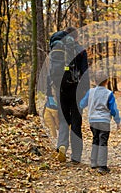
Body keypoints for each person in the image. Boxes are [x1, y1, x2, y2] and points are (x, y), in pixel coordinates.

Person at [47, 27, 89, 163]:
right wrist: (86, 92)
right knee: (76, 121)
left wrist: (49, 92)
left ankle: (62, 145)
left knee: (64, 119)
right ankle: (76, 156)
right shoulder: (80, 50)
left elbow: (50, 72)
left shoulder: (57, 50)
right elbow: (85, 73)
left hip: (60, 89)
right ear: (76, 37)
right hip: (77, 90)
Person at [79, 70, 121, 174]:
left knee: (95, 139)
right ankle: (102, 166)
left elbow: (82, 104)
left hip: (93, 121)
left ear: (95, 81)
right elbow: (113, 109)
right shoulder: (108, 94)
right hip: (104, 121)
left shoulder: (90, 92)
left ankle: (93, 162)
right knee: (103, 141)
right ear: (106, 81)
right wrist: (117, 120)